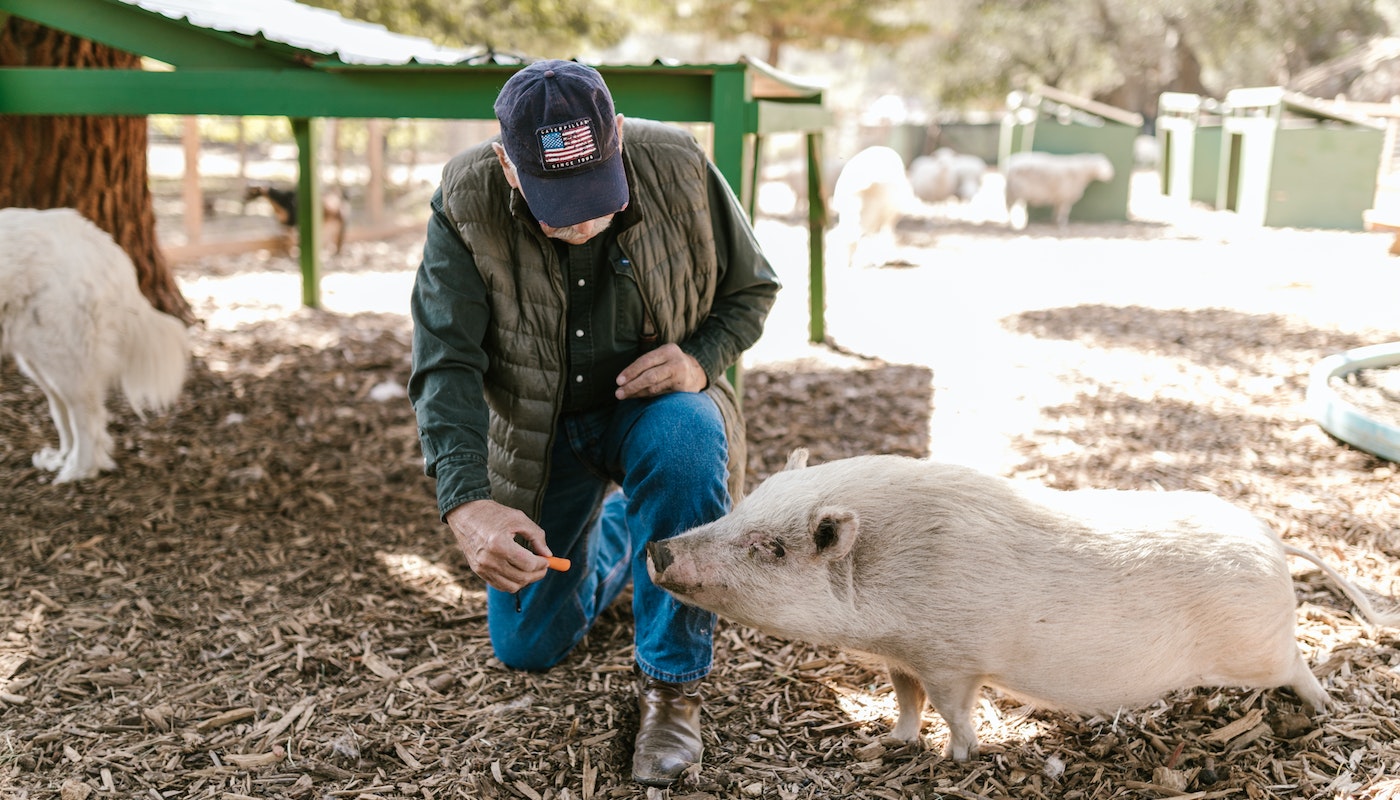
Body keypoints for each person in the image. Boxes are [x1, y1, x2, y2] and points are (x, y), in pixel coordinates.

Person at [408, 59, 780, 786]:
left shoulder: (675, 160)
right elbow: (445, 362)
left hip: (655, 412)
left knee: (684, 439)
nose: (582, 223)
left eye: (596, 196)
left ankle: (673, 688)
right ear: (507, 166)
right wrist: (468, 504)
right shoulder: (464, 198)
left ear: (614, 137)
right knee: (526, 648)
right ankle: (623, 532)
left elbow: (752, 288)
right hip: (540, 435)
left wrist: (701, 360)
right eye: (558, 202)